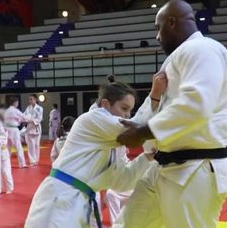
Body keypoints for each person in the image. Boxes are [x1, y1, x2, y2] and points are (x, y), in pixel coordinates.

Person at [115, 0, 227, 228]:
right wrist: (118, 126)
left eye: (157, 28)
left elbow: (196, 104)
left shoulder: (203, 49)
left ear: (171, 22)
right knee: (128, 223)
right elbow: (160, 109)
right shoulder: (176, 58)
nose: (157, 37)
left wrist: (142, 132)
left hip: (195, 169)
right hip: (163, 168)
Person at [24, 79, 157, 228]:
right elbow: (134, 131)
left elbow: (123, 181)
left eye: (129, 111)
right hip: (60, 197)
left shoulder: (115, 145)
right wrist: (154, 97)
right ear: (105, 104)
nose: (127, 115)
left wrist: (147, 158)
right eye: (124, 108)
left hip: (83, 202)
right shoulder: (92, 119)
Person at [4, 97, 29, 168]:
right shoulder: (15, 110)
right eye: (17, 102)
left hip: (7, 130)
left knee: (8, 148)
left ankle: (6, 163)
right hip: (14, 130)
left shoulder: (6, 111)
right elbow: (24, 117)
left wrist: (19, 119)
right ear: (15, 103)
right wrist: (30, 118)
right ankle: (22, 164)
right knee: (19, 147)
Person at [24, 94, 43, 166]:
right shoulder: (28, 108)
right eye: (29, 99)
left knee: (36, 145)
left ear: (35, 99)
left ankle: (36, 160)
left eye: (31, 99)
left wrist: (31, 119)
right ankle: (32, 161)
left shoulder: (40, 108)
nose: (30, 101)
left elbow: (40, 118)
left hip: (36, 127)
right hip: (29, 128)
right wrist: (27, 119)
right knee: (30, 145)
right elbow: (24, 116)